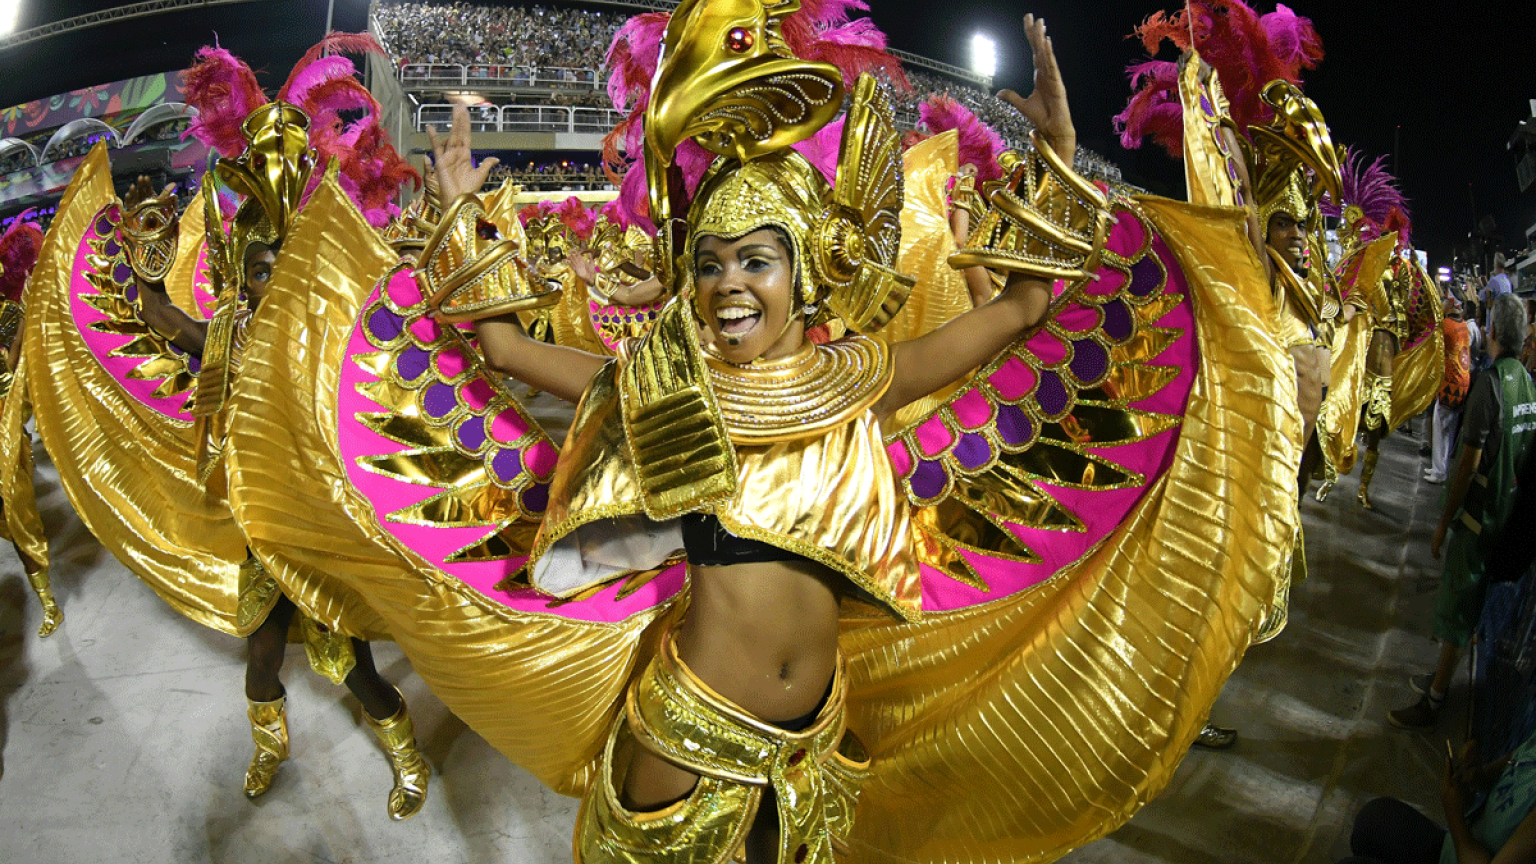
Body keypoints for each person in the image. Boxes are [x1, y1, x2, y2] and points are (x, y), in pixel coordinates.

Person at [24, 41, 431, 818]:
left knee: (354, 668)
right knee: (262, 659)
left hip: (317, 531)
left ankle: (407, 760)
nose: (269, 279)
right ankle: (270, 745)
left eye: (283, 267)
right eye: (257, 269)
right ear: (242, 276)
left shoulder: (329, 345)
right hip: (258, 534)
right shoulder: (230, 337)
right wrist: (141, 265)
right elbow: (160, 317)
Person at [1391, 293, 1536, 729]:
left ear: (1490, 331)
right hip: (1509, 519)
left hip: (1478, 523)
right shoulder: (1529, 385)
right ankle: (1440, 679)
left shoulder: (1489, 387)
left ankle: (1433, 699)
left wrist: (1442, 524)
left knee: (1456, 613)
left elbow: (1467, 467)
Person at [1338, 730, 1536, 864]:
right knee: (1374, 819)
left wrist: (1454, 816)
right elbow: (1505, 769)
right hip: (1456, 849)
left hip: (1466, 851)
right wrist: (1475, 774)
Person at [1426, 297, 1472, 484]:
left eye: (1444, 302)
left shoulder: (1446, 325)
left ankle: (1438, 471)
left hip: (1449, 385)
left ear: (1451, 306)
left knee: (1439, 428)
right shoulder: (1464, 326)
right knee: (1449, 432)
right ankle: (1442, 468)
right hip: (1463, 383)